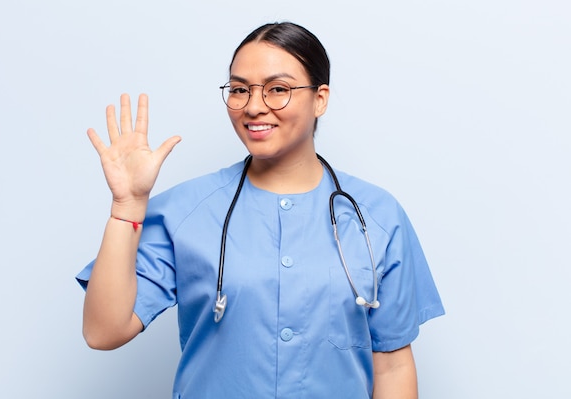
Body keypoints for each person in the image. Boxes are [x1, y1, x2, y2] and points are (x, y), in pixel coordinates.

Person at [76, 21, 444, 399]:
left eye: (278, 90)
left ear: (320, 98)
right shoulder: (186, 211)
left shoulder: (377, 218)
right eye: (239, 90)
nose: (253, 106)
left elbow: (394, 366)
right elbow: (104, 331)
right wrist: (127, 206)